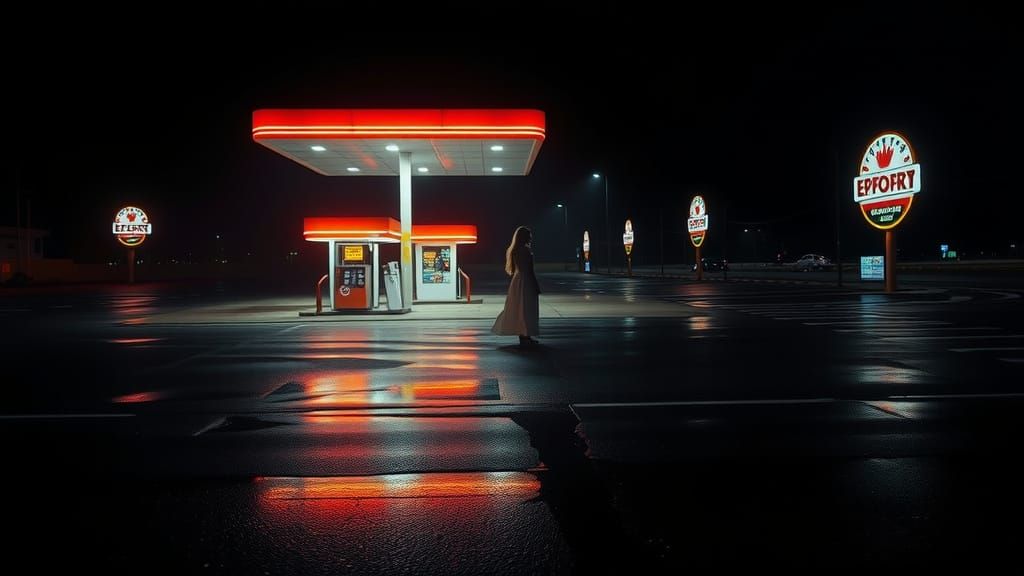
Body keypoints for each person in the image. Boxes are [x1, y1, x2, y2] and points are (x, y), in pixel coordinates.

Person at [492, 226, 542, 347]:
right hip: (526, 281)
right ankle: (526, 335)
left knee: (519, 307)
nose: (531, 237)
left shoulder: (514, 251)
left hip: (517, 281)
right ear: (525, 237)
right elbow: (530, 271)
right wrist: (536, 285)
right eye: (529, 235)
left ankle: (523, 336)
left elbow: (515, 270)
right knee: (527, 308)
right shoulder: (526, 251)